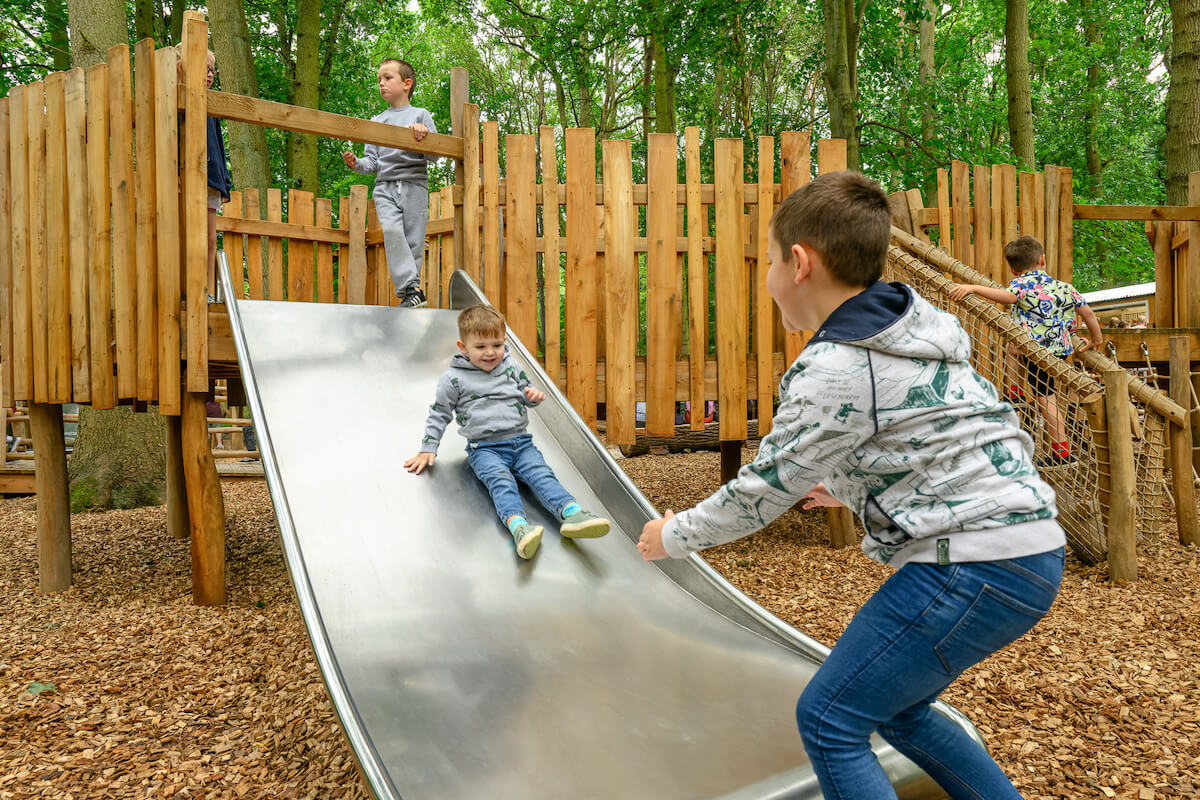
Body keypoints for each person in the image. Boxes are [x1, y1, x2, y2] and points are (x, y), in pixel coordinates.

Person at [637, 171, 1065, 799]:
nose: (769, 276)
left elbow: (763, 490)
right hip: (1028, 548)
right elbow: (942, 436)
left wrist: (673, 534)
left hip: (971, 564)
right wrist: (850, 488)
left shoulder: (837, 365)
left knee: (830, 717)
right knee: (898, 711)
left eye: (771, 261)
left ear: (800, 264)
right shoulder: (914, 334)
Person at [404, 304, 611, 558]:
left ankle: (572, 514)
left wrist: (533, 396)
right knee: (502, 483)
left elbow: (525, 393)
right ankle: (520, 528)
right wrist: (428, 447)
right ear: (463, 347)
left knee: (542, 475)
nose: (490, 353)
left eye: (497, 345)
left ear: (504, 341)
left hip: (522, 443)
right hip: (485, 449)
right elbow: (439, 413)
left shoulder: (511, 366)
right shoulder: (453, 379)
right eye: (480, 347)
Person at [950, 235, 1102, 466]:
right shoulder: (1063, 287)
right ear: (1042, 259)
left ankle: (1062, 453)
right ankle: (1014, 392)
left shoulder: (1021, 284)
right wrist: (1095, 339)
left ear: (1012, 270)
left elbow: (1009, 298)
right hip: (1058, 351)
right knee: (1012, 347)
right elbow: (1088, 313)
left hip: (1036, 352)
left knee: (1046, 399)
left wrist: (974, 288)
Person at [342, 58, 437, 308]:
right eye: (379, 80)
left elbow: (435, 155)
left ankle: (411, 293)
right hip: (385, 187)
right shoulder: (376, 121)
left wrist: (423, 137)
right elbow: (371, 162)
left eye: (387, 78)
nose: (381, 84)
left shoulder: (420, 115)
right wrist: (356, 164)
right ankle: (411, 288)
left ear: (407, 84)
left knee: (414, 239)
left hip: (414, 184)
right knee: (393, 232)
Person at [174, 44, 232, 303]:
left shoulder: (212, 105)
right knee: (185, 234)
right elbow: (174, 140)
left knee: (209, 238)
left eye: (212, 70)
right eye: (203, 68)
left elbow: (219, 146)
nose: (209, 74)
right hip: (185, 178)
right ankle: (184, 286)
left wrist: (225, 183)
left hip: (210, 180)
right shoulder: (178, 99)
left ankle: (207, 290)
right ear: (182, 68)